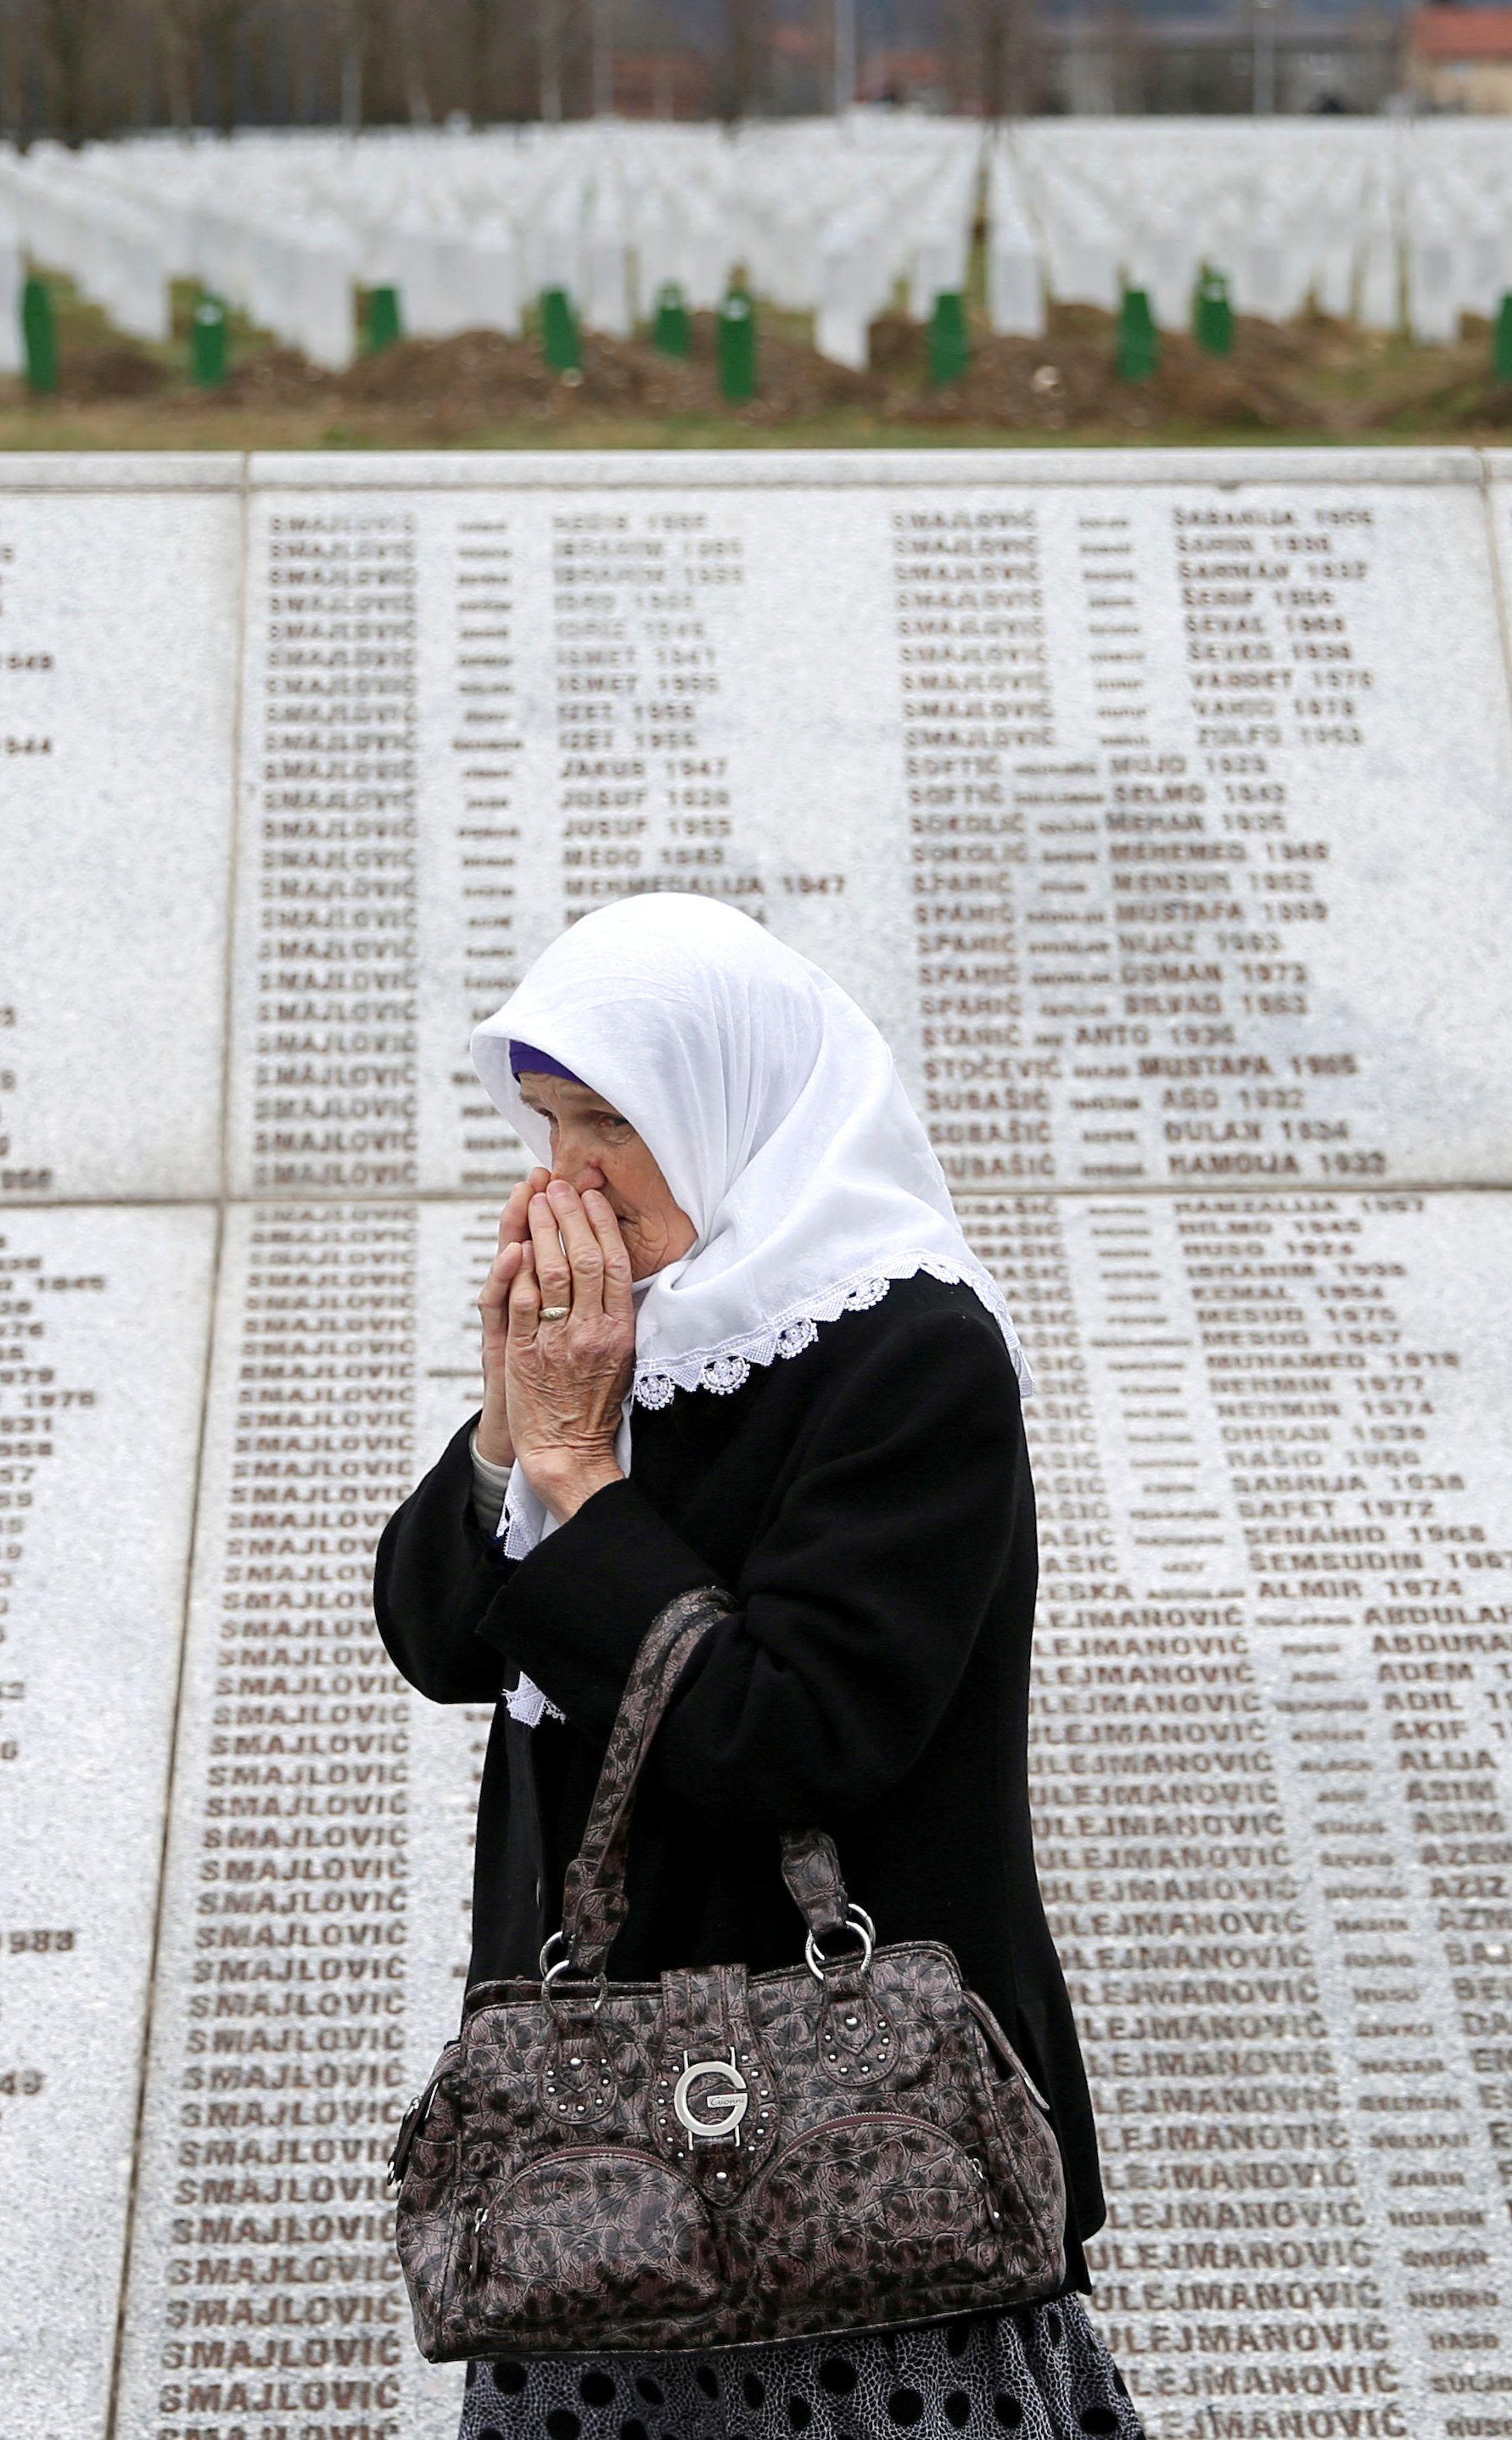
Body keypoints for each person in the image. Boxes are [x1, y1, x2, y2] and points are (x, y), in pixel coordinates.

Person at [373, 893, 1139, 2440]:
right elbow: (441, 1640)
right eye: (543, 1124)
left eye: (609, 1121)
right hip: (598, 2185)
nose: (565, 1176)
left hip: (859, 2156)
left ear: (727, 1106)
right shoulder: (629, 1344)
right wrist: (509, 1430)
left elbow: (793, 1734)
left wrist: (586, 1476)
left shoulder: (907, 1353)